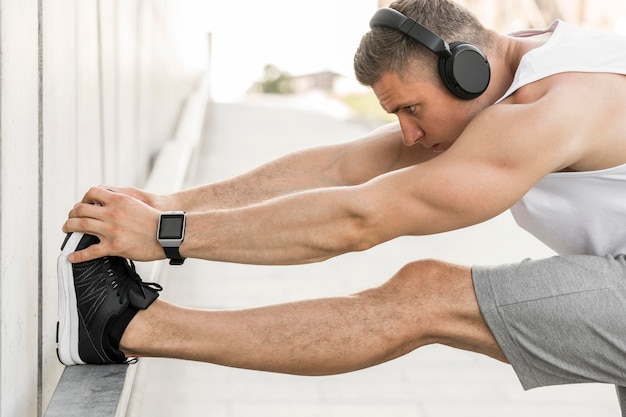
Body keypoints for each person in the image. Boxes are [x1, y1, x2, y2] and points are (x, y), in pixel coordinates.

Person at [58, 0, 626, 412]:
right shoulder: (515, 64)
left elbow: (361, 218)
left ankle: (129, 328)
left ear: (466, 70)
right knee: (424, 293)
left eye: (410, 108)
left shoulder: (550, 106)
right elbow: (340, 167)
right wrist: (171, 202)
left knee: (425, 297)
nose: (406, 134)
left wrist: (167, 233)